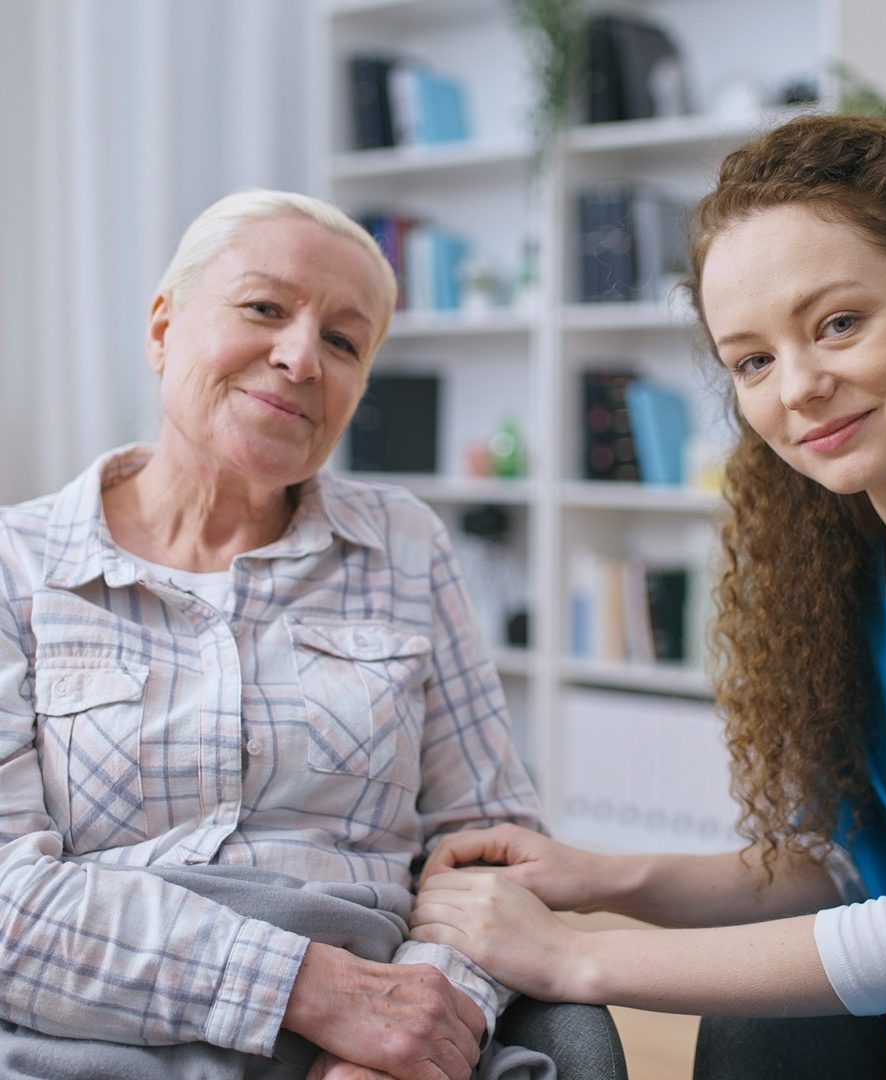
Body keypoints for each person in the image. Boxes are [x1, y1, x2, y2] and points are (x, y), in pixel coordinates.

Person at [410, 113, 886, 1078]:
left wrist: (573, 952)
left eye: (839, 323)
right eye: (753, 360)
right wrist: (605, 878)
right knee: (758, 1031)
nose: (799, 387)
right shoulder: (851, 570)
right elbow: (862, 865)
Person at [0, 188, 546, 1080]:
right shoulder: (16, 565)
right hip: (89, 1036)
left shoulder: (402, 545)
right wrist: (309, 991)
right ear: (163, 328)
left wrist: (420, 1028)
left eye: (343, 341)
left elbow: (491, 849)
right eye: (264, 308)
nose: (300, 358)